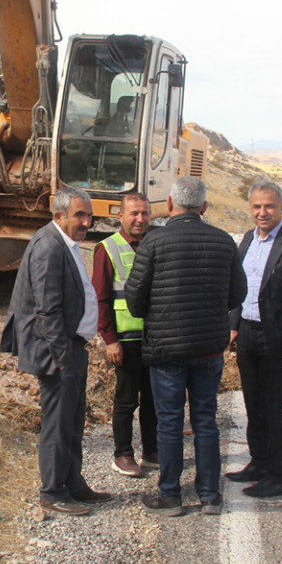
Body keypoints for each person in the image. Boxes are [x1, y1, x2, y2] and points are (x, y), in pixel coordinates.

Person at [124, 176, 247, 516]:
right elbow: (238, 295)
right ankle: (209, 495)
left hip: (166, 350)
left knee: (170, 421)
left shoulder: (153, 242)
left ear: (168, 203)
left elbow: (135, 299)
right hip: (208, 347)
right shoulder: (224, 242)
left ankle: (171, 495)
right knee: (206, 420)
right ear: (204, 207)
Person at [0, 186, 112, 516]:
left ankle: (73, 483)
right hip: (58, 353)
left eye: (89, 215)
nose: (87, 221)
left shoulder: (65, 242)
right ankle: (52, 491)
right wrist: (63, 357)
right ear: (58, 216)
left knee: (73, 421)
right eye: (80, 214)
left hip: (70, 348)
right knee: (58, 423)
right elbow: (46, 310)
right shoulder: (49, 246)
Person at [228, 180, 282, 498]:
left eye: (268, 206)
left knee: (273, 406)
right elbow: (238, 285)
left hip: (277, 337)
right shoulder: (249, 238)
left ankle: (278, 475)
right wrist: (233, 324)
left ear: (280, 208)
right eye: (256, 206)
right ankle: (259, 462)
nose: (262, 212)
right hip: (248, 333)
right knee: (253, 403)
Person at [91, 193, 157, 479]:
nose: (140, 219)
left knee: (154, 399)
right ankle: (123, 454)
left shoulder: (155, 245)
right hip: (125, 341)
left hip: (155, 339)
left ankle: (152, 452)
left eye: (144, 213)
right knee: (127, 400)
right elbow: (101, 298)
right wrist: (110, 340)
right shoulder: (108, 249)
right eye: (134, 213)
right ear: (120, 216)